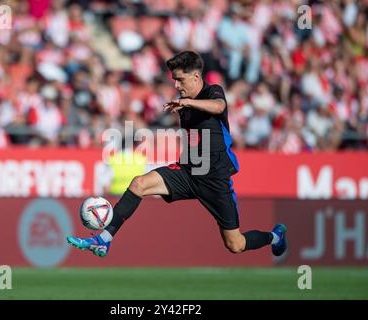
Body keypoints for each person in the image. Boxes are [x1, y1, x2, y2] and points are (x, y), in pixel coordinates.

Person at [67, 51, 287, 257]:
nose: (176, 84)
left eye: (180, 79)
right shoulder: (182, 104)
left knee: (235, 244)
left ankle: (275, 236)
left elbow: (219, 106)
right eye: (174, 79)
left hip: (214, 178)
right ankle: (104, 240)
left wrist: (189, 102)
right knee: (139, 184)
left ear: (196, 76)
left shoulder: (212, 92)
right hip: (189, 171)